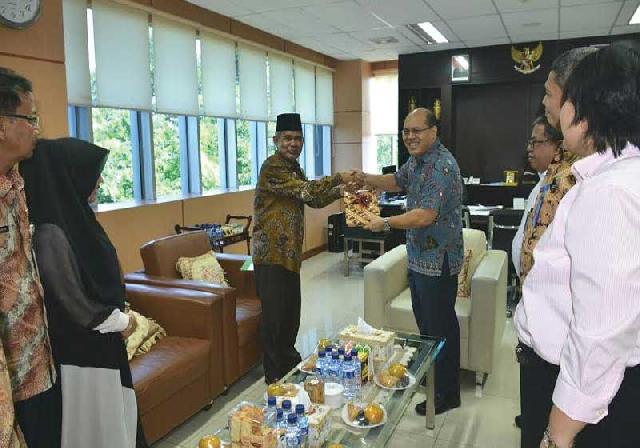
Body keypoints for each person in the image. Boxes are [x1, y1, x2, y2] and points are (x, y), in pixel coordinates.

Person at [515, 45, 640, 448]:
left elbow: (602, 328)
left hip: (582, 398)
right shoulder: (617, 176)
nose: (553, 107)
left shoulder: (608, 192)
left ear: (586, 107)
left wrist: (560, 430)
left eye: (562, 97)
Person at [20, 138, 148, 448]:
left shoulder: (78, 219)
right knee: (98, 433)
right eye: (94, 172)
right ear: (70, 176)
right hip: (82, 357)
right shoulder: (50, 232)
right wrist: (122, 321)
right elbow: (70, 301)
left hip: (103, 348)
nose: (99, 180)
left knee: (119, 428)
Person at [512, 47, 597, 435]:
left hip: (561, 352)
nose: (544, 102)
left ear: (574, 98)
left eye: (549, 93)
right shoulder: (561, 168)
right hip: (540, 343)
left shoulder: (584, 176)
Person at [361, 107, 463, 416]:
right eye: (406, 131)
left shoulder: (441, 166)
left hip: (438, 263)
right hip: (419, 259)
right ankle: (435, 379)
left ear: (433, 132)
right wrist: (365, 178)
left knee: (440, 329)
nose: (409, 136)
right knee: (427, 328)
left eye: (416, 130)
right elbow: (396, 180)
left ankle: (447, 393)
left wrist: (385, 222)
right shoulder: (417, 161)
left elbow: (425, 216)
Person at [252, 113, 358, 383]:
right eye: (287, 138)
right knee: (274, 320)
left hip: (290, 256)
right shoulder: (272, 167)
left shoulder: (294, 169)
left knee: (290, 317)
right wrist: (338, 178)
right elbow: (309, 191)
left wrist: (343, 191)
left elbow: (314, 200)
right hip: (271, 256)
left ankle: (290, 368)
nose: (293, 143)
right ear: (276, 140)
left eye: (298, 138)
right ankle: (274, 378)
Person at [0, 67, 56, 447]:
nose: (37, 128)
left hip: (36, 365)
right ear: (2, 125)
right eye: (30, 118)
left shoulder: (17, 183)